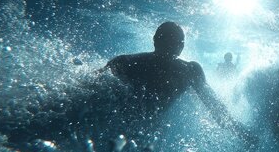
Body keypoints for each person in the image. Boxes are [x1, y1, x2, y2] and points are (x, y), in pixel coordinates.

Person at [104, 21, 254, 143]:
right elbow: (216, 109)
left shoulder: (124, 62)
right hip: (144, 135)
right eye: (179, 42)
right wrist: (242, 133)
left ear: (155, 40)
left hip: (116, 131)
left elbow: (87, 90)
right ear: (181, 47)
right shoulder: (189, 71)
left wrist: (241, 132)